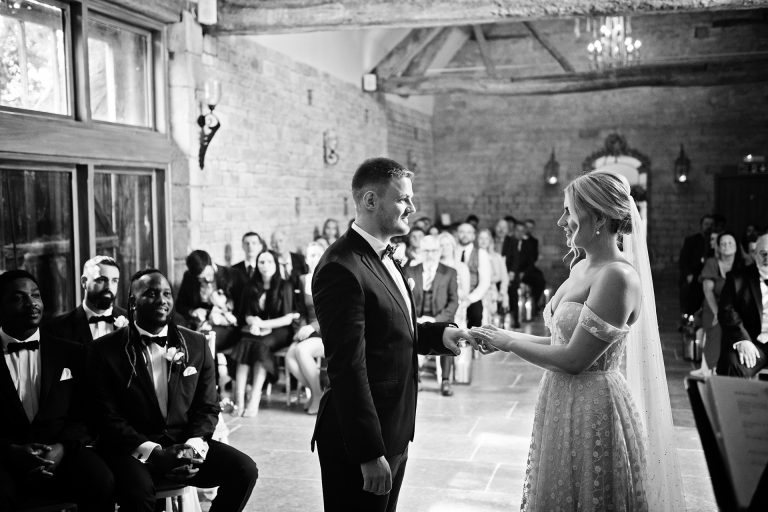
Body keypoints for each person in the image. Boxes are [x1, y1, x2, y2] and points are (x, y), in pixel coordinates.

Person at [471, 171, 684, 511]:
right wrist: (502, 336)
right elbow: (556, 339)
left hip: (593, 404)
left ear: (599, 217)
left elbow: (574, 360)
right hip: (559, 397)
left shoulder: (618, 276)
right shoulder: (581, 267)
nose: (561, 221)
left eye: (568, 211)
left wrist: (509, 344)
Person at [310, 157, 475, 512]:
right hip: (360, 438)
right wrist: (369, 453)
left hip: (393, 424)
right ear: (371, 201)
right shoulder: (341, 268)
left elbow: (392, 327)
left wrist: (439, 336)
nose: (412, 207)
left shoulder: (386, 255)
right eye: (403, 199)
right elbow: (347, 367)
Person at [90, 268, 258, 512]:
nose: (162, 300)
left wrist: (192, 447)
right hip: (133, 449)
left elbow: (208, 405)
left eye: (167, 293)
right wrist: (154, 453)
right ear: (133, 302)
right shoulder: (105, 350)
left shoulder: (196, 344)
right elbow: (107, 417)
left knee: (244, 470)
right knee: (138, 492)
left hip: (184, 442)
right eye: (151, 293)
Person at [0, 270, 115, 512]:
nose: (32, 303)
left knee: (101, 481)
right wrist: (11, 452)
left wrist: (62, 448)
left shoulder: (72, 353)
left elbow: (89, 413)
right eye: (19, 298)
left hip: (62, 454)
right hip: (5, 461)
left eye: (36, 295)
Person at [231, 249, 299, 417]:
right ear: (257, 265)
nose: (265, 265)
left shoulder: (285, 285)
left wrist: (264, 324)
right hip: (258, 329)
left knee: (261, 345)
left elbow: (288, 318)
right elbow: (246, 314)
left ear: (275, 264)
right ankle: (239, 401)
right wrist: (254, 323)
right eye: (261, 262)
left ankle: (254, 399)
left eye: (269, 262)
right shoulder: (251, 286)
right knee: (245, 342)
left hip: (281, 330)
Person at [405, 235, 459, 396]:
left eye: (434, 250)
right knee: (407, 333)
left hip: (440, 317)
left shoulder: (449, 272)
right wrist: (415, 318)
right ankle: (416, 377)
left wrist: (436, 320)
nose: (430, 254)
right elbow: (404, 298)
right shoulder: (410, 270)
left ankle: (445, 381)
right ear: (421, 251)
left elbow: (453, 302)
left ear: (439, 251)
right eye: (427, 250)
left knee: (447, 332)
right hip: (416, 317)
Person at [717, 232, 768, 378]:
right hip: (752, 342)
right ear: (754, 254)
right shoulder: (737, 278)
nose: (767, 258)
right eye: (763, 253)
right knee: (732, 364)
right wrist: (742, 339)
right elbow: (727, 311)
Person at [693, 232, 744, 376]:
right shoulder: (712, 263)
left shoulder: (742, 264)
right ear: (719, 247)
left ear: (736, 246)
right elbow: (707, 291)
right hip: (714, 305)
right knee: (716, 327)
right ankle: (710, 368)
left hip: (734, 307)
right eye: (723, 243)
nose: (727, 246)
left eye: (730, 243)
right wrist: (717, 312)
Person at [285, 241, 326, 414]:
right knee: (289, 357)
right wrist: (300, 329)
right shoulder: (302, 280)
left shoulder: (330, 278)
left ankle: (316, 396)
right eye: (309, 255)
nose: (312, 259)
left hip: (327, 331)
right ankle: (318, 393)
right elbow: (301, 310)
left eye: (316, 254)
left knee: (301, 351)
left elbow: (334, 312)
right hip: (308, 331)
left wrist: (311, 327)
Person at [47, 255, 128, 343]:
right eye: (101, 280)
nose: (109, 287)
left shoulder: (132, 321)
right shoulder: (58, 328)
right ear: (84, 282)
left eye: (114, 281)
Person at [679, 214, 714, 319]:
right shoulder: (692, 240)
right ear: (701, 225)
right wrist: (688, 275)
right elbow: (683, 260)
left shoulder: (716, 241)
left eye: (711, 224)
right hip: (694, 276)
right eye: (706, 224)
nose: (709, 227)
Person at [456, 222, 491, 329]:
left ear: (473, 236)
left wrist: (470, 299)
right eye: (462, 232)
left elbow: (485, 282)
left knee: (476, 316)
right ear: (457, 234)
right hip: (454, 295)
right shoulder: (452, 251)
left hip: (473, 295)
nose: (465, 235)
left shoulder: (481, 253)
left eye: (468, 232)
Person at [477, 228, 509, 327]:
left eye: (486, 238)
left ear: (490, 241)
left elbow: (504, 278)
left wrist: (502, 293)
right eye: (481, 238)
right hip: (475, 290)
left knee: (489, 322)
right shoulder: (473, 255)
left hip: (491, 292)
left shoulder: (496, 257)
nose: (483, 241)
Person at [231, 231, 266, 311]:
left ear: (260, 246)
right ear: (242, 246)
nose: (250, 246)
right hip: (239, 317)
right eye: (247, 243)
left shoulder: (267, 268)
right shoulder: (233, 270)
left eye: (254, 243)